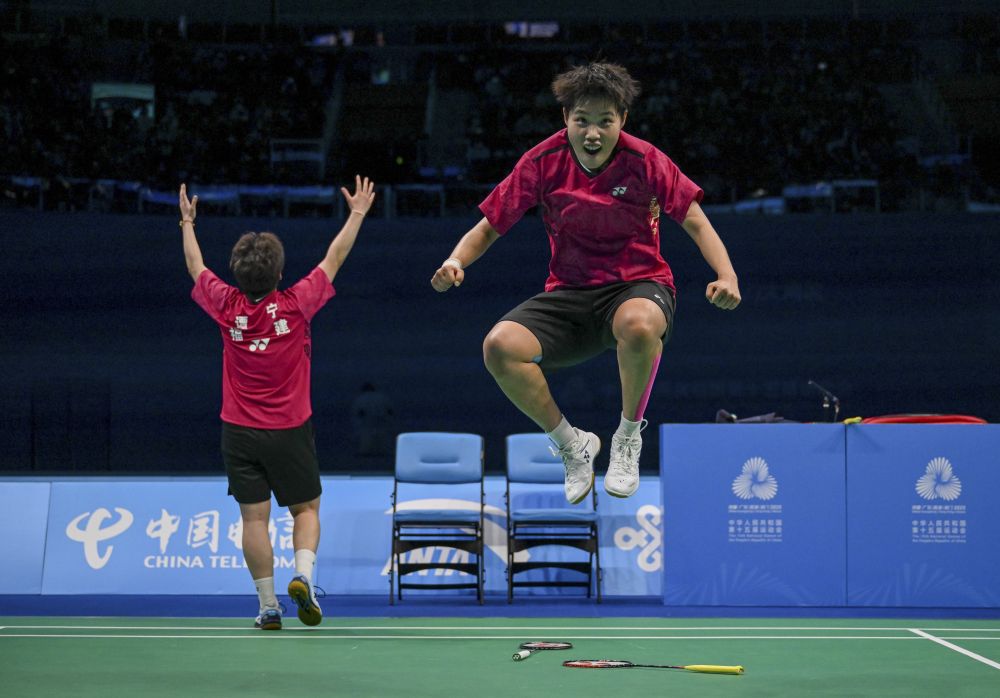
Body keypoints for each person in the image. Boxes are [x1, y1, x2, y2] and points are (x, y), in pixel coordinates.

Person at [431, 62, 740, 504]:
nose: (592, 134)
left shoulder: (645, 160)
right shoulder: (542, 161)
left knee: (638, 325)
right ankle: (571, 445)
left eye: (604, 122)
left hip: (638, 286)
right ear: (566, 118)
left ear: (622, 120)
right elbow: (489, 226)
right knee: (499, 347)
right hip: (571, 295)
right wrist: (455, 260)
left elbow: (695, 220)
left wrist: (726, 275)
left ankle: (627, 438)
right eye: (582, 121)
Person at [180, 176, 376, 629]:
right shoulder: (295, 304)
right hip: (289, 429)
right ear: (279, 274)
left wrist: (187, 222)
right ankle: (302, 576)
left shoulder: (226, 305)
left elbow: (195, 266)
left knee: (254, 520)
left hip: (238, 432)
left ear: (237, 274)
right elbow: (334, 258)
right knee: (306, 509)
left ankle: (268, 606)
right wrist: (358, 213)